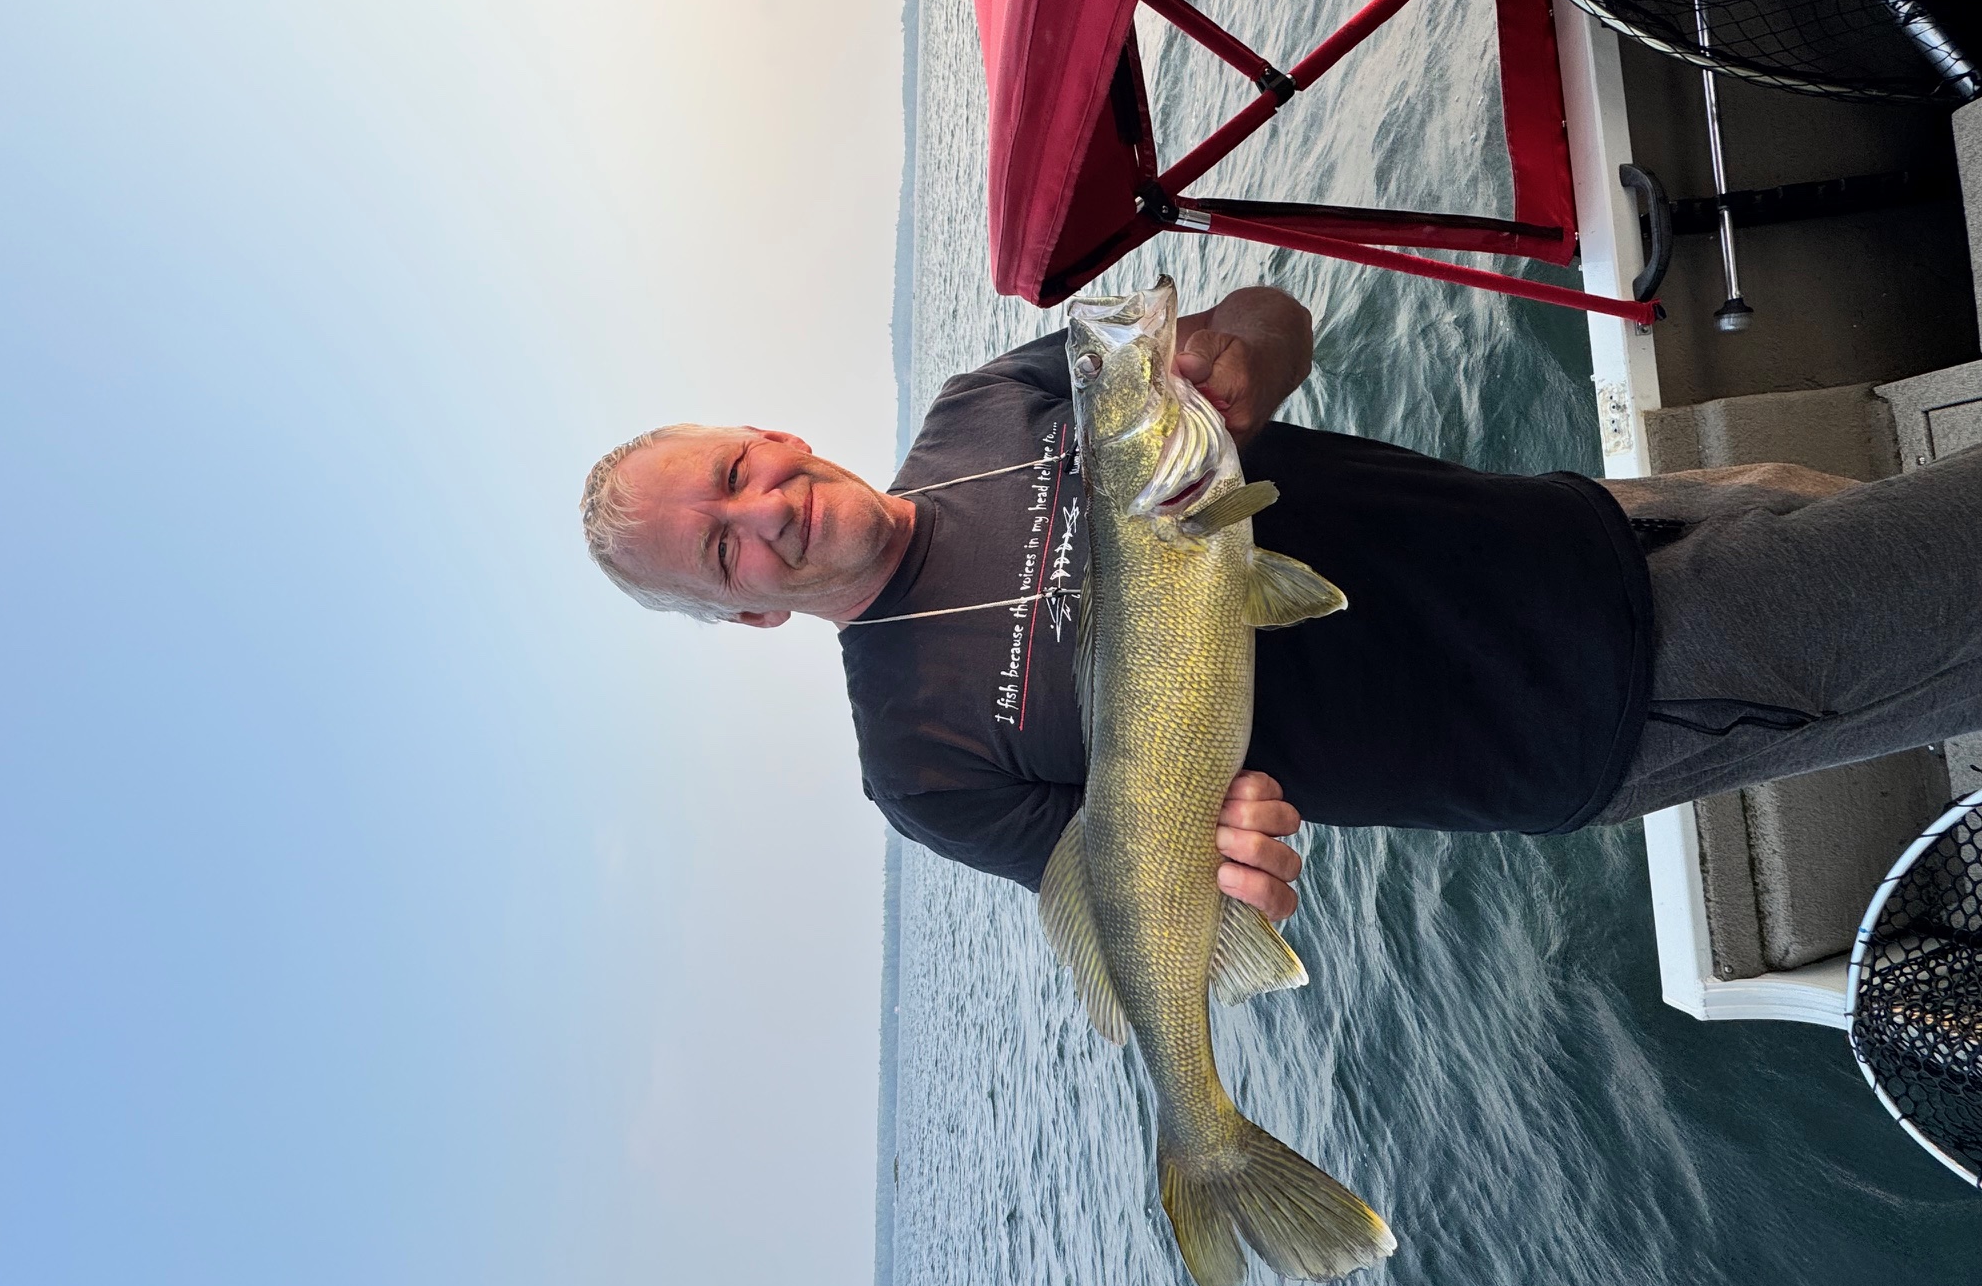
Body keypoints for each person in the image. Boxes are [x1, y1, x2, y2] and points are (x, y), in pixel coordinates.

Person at [580, 285, 1982, 923]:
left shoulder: (982, 405)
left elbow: (1271, 320)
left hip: (1593, 518)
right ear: (750, 617)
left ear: (763, 432)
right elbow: (1152, 904)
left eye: (732, 470)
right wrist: (1218, 865)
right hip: (1593, 699)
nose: (759, 510)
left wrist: (1227, 358)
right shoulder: (920, 765)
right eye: (721, 555)